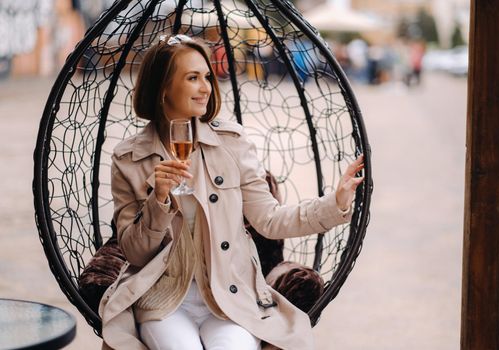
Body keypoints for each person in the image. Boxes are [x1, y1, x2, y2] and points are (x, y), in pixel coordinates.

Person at [99, 33, 365, 350]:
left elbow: (269, 219)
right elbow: (134, 253)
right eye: (193, 78)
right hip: (163, 301)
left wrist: (334, 204)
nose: (206, 88)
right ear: (163, 88)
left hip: (230, 298)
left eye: (207, 77)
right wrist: (158, 201)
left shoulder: (231, 143)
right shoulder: (129, 158)